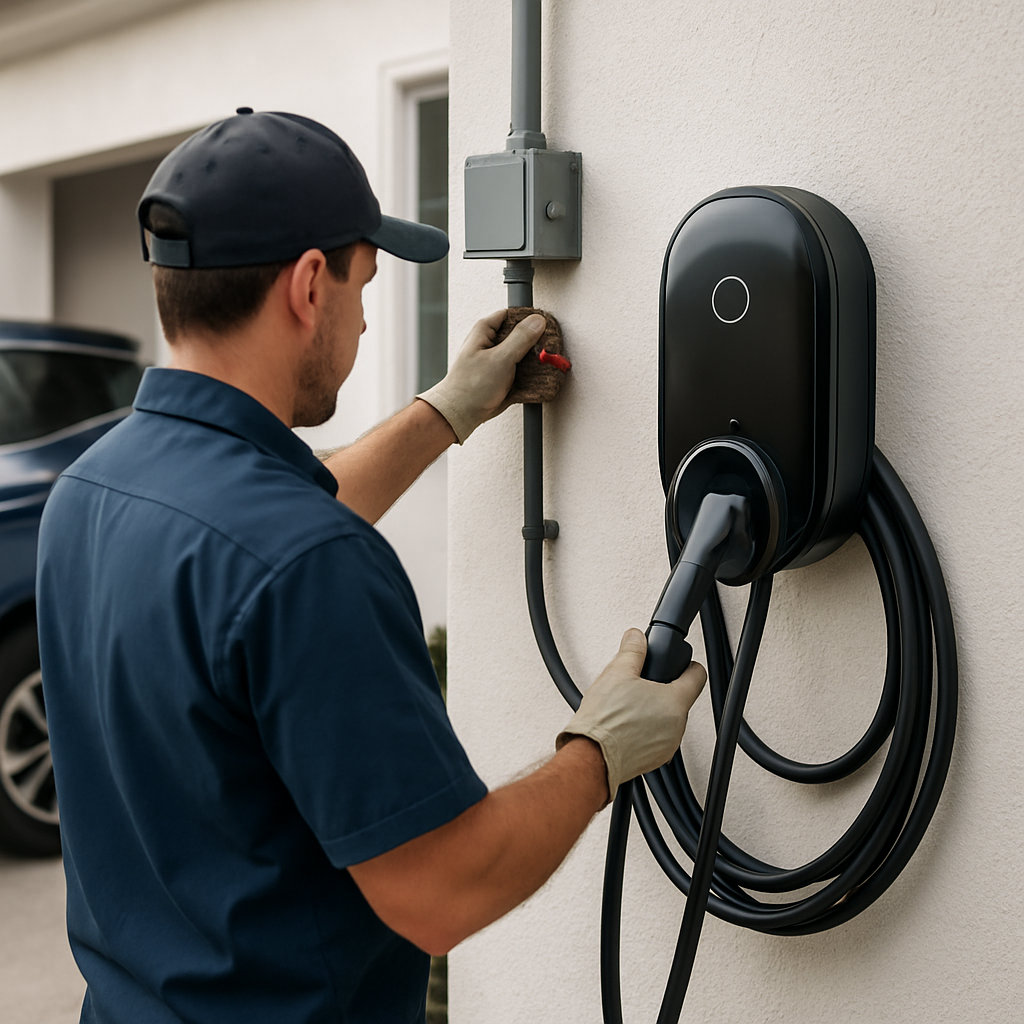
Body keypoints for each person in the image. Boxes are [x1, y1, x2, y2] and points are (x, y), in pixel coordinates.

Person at [36, 109, 706, 1024]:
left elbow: (255, 544)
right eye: (365, 284)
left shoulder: (91, 490)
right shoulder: (307, 562)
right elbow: (443, 890)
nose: (361, 318)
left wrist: (447, 409)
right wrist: (597, 753)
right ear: (310, 284)